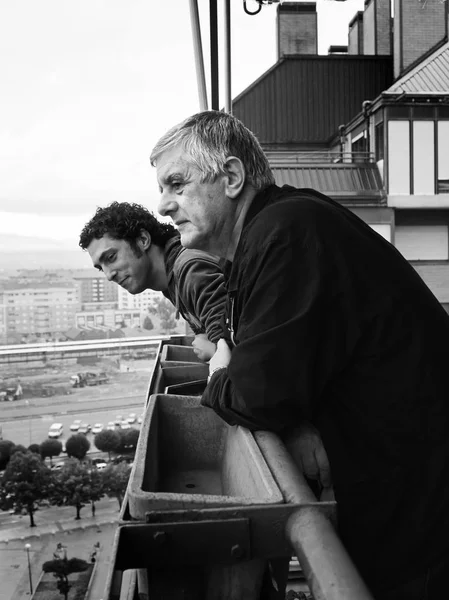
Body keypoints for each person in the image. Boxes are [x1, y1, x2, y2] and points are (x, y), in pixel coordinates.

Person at [150, 110, 449, 600]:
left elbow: (254, 394)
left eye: (177, 184)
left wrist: (222, 371)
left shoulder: (286, 232)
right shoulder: (276, 229)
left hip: (419, 513)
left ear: (231, 177)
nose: (163, 205)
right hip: (402, 494)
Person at [79, 202, 225, 361]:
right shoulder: (172, 278)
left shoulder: (189, 270)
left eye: (111, 257)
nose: (109, 275)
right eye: (101, 268)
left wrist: (214, 351)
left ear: (143, 240)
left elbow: (236, 348)